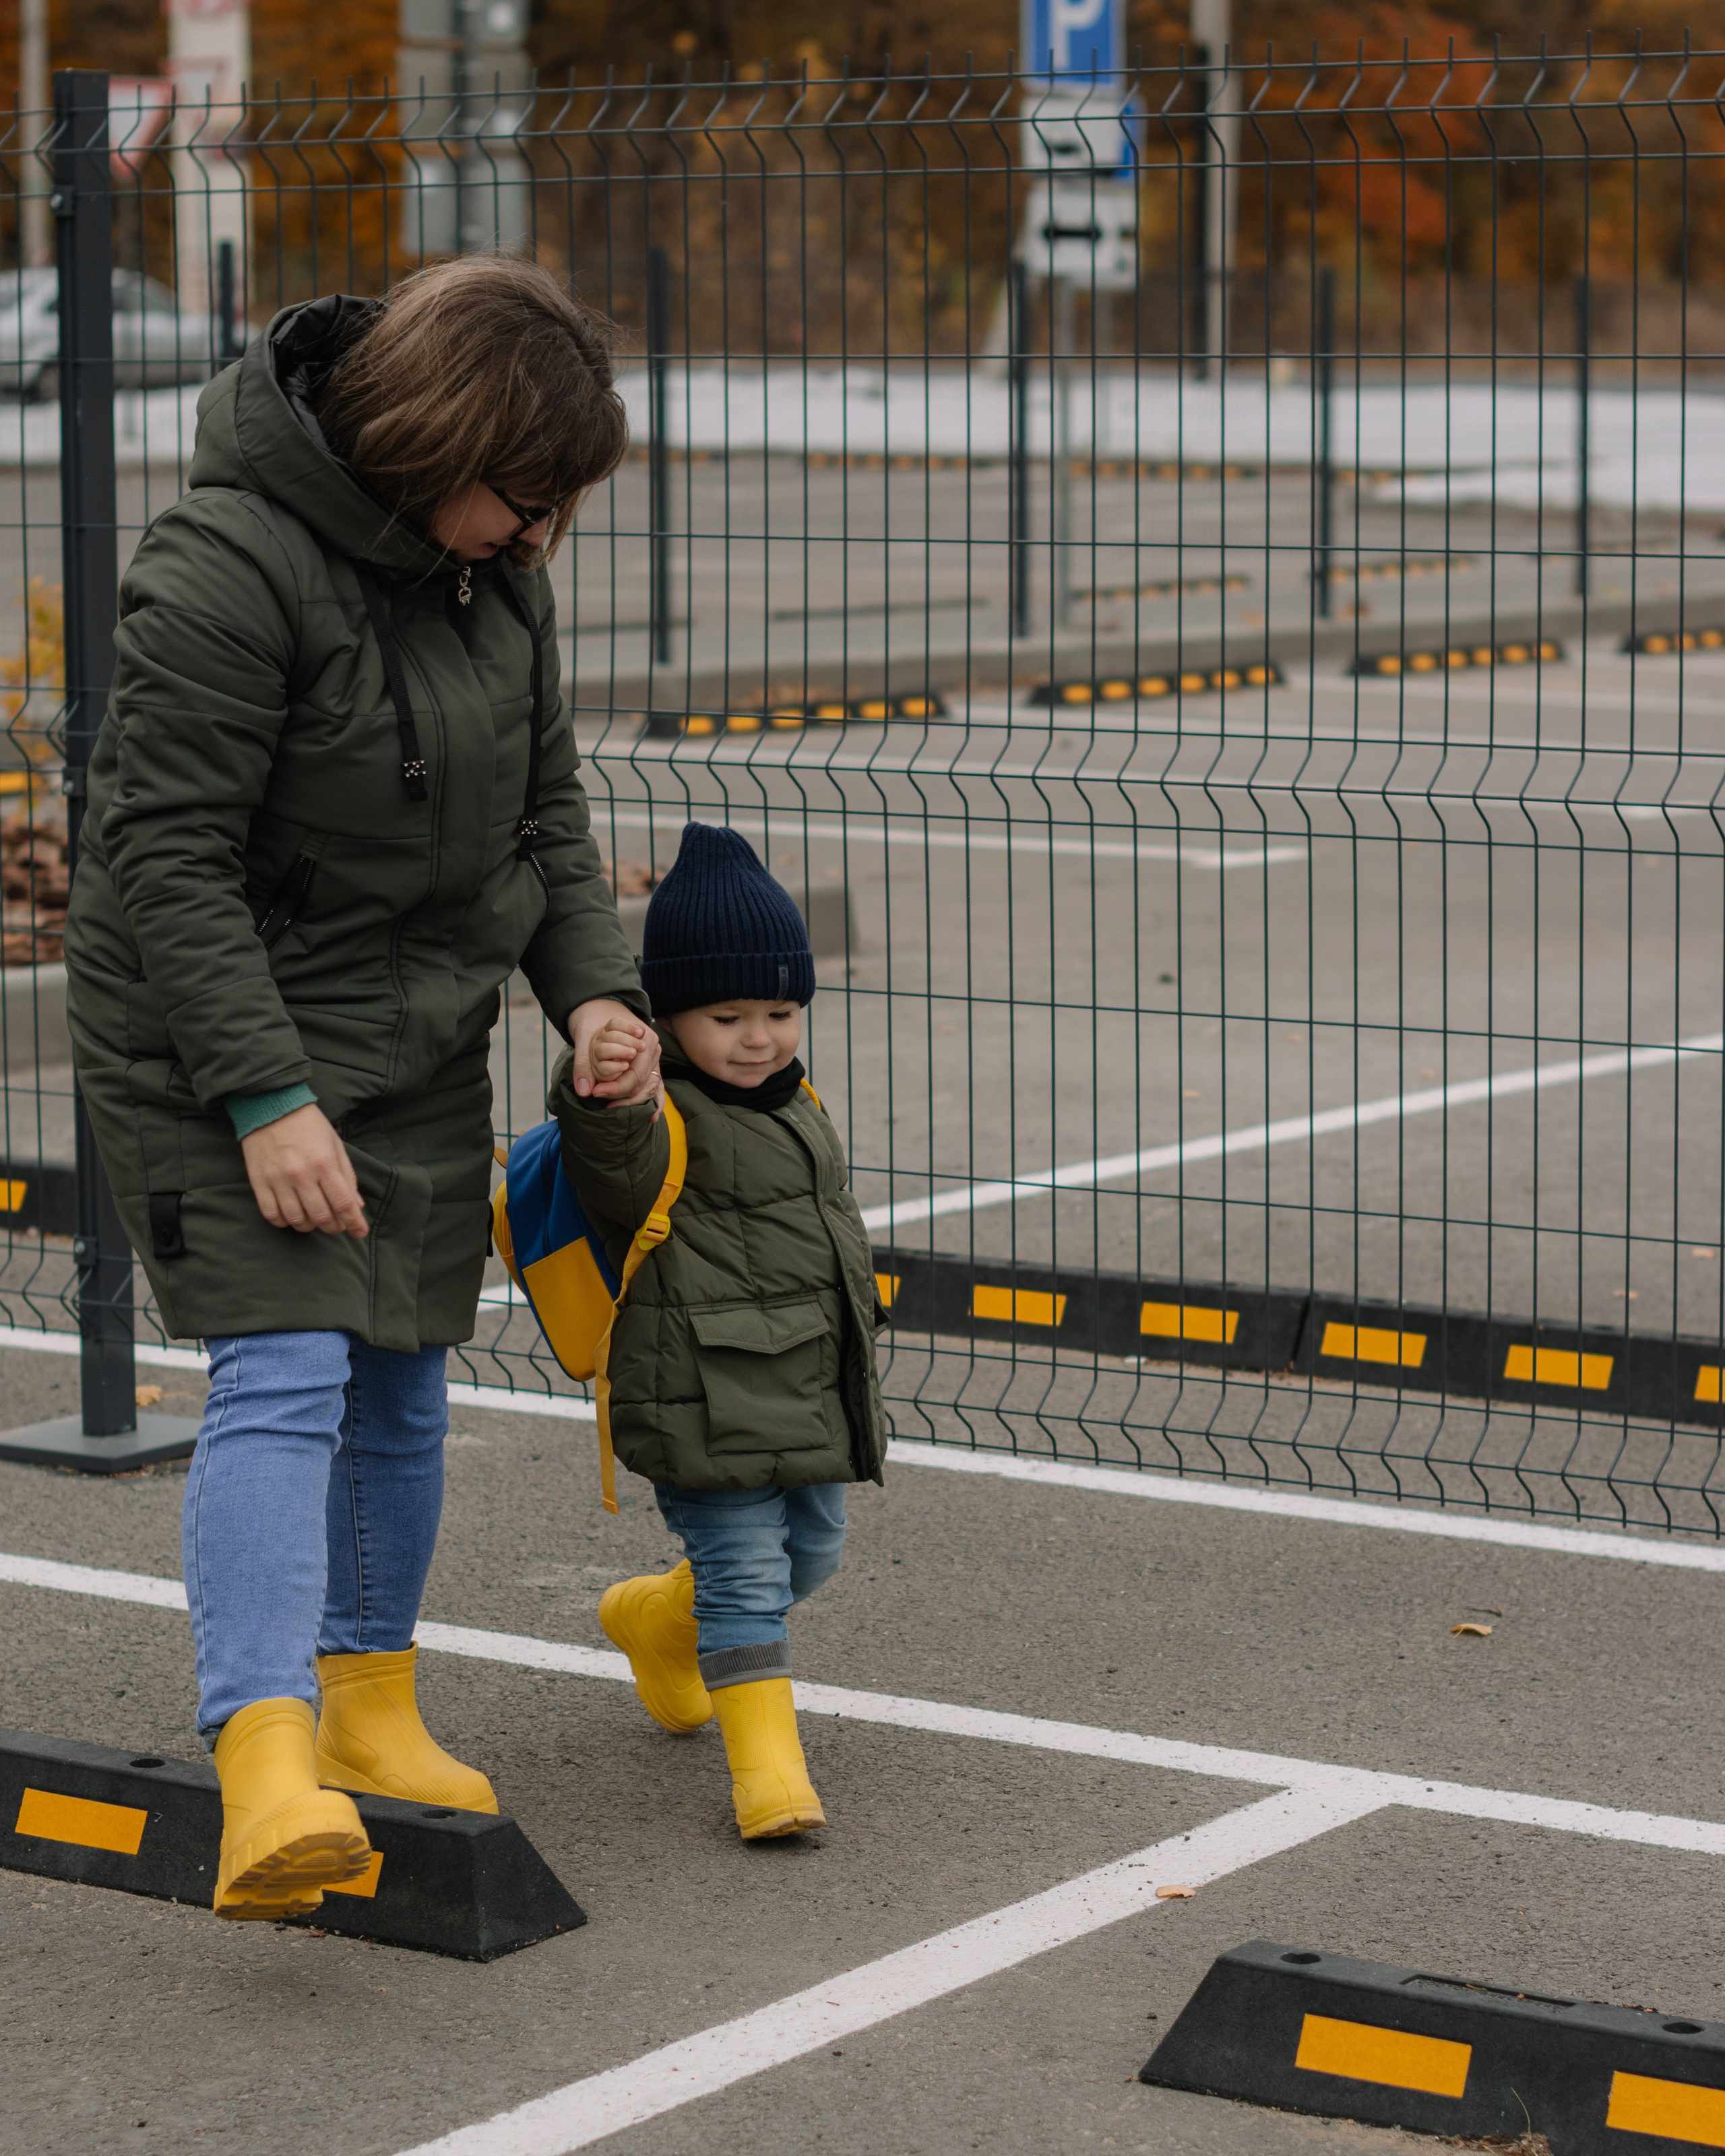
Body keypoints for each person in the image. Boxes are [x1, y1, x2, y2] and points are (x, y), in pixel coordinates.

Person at [63, 254, 662, 1920]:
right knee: (290, 1355)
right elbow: (163, 859)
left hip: (409, 1013)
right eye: (522, 496)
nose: (540, 536)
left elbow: (546, 812)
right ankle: (263, 1755)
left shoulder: (492, 583)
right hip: (211, 1021)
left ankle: (370, 1699)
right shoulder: (225, 565)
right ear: (428, 443)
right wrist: (263, 1100)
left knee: (405, 1360)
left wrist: (594, 999)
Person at [551, 821, 887, 1840]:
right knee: (748, 1576)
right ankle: (770, 1774)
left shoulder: (801, 1105)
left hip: (804, 1386)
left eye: (781, 1011)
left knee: (810, 1560)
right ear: (668, 1020)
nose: (759, 1037)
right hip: (699, 1389)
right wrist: (607, 1085)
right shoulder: (660, 1117)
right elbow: (608, 1161)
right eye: (727, 1015)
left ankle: (653, 1621)